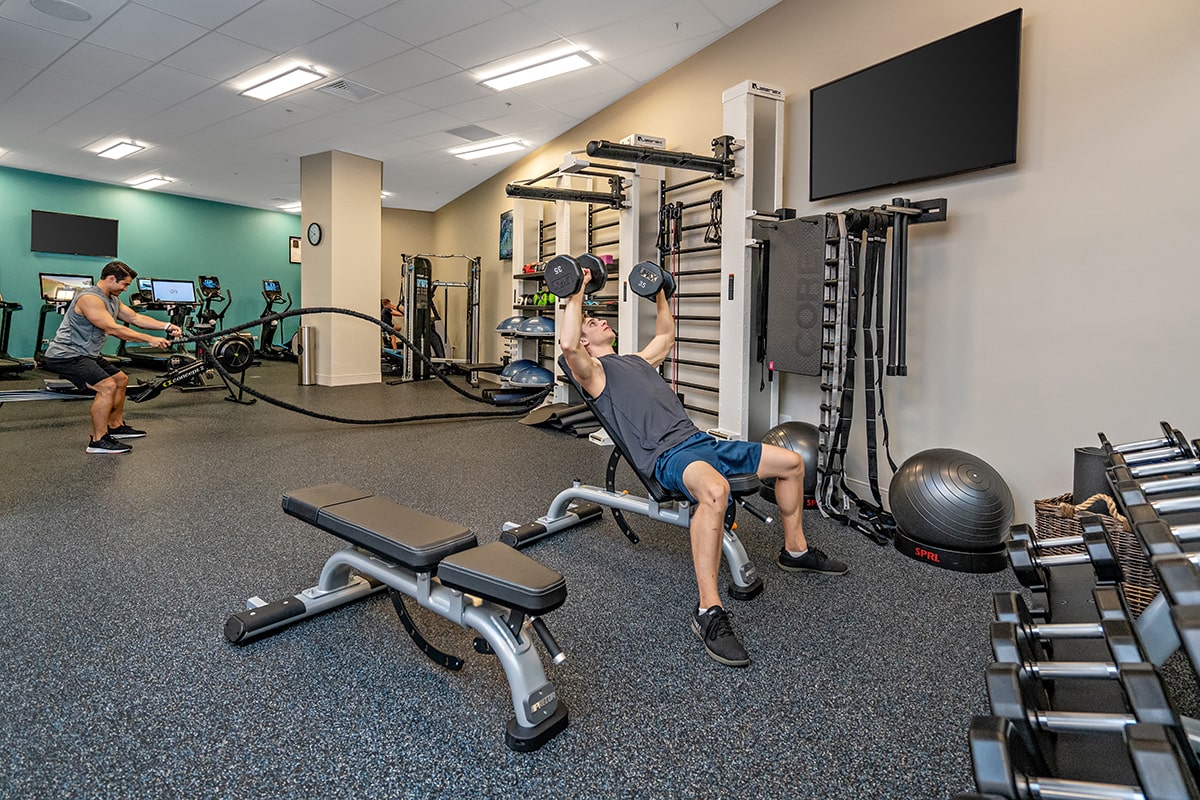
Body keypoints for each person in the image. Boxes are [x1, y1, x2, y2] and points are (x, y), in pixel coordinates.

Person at [559, 266, 849, 667]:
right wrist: (576, 292)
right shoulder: (594, 375)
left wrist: (660, 292)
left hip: (701, 442)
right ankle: (708, 611)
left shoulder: (636, 361)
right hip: (669, 457)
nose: (600, 321)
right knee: (716, 491)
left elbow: (665, 336)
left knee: (792, 463)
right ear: (587, 342)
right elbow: (568, 346)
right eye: (592, 322)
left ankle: (795, 551)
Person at [43, 260, 179, 455]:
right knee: (107, 386)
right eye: (124, 284)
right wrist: (149, 339)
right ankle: (98, 441)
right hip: (66, 355)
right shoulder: (89, 298)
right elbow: (112, 328)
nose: (125, 289)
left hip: (87, 354)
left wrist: (166, 326)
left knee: (121, 379)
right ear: (111, 279)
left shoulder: (112, 299)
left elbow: (135, 318)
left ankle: (115, 425)